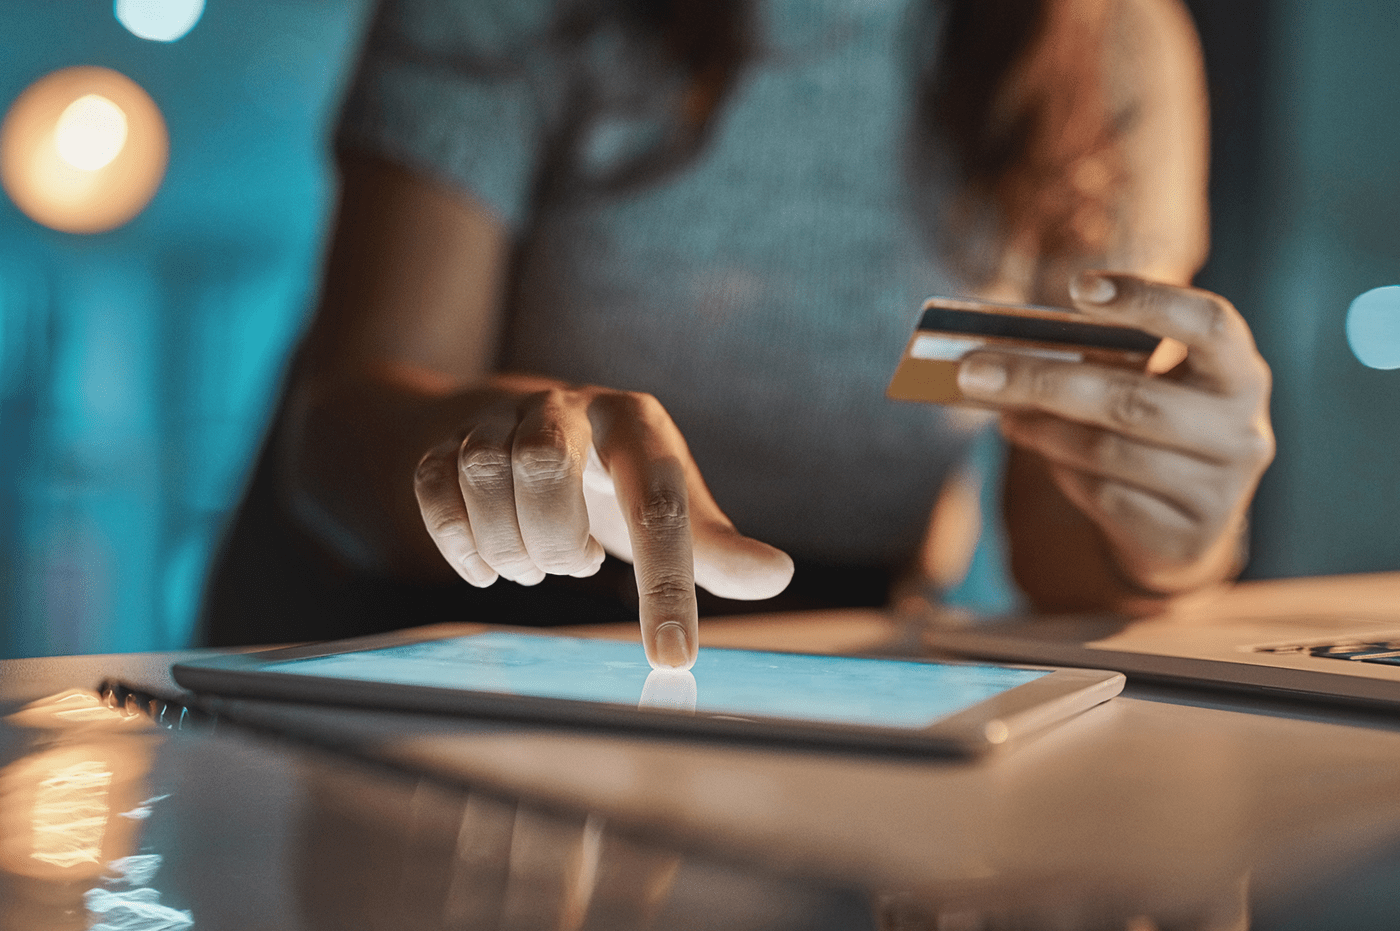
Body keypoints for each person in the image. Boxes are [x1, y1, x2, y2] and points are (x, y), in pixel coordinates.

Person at [200, 0, 1274, 669]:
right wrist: (500, 447)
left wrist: (1171, 538)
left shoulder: (1109, 44)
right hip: (434, 644)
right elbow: (338, 432)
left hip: (830, 674)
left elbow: (1059, 550)